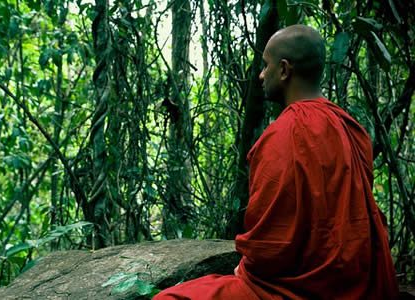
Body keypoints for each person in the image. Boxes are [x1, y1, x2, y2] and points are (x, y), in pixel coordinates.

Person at [153, 24, 399, 299]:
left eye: (265, 66)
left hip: (303, 288)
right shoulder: (352, 128)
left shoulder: (285, 133)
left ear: (283, 70)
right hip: (361, 281)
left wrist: (246, 269)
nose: (260, 75)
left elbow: (269, 248)